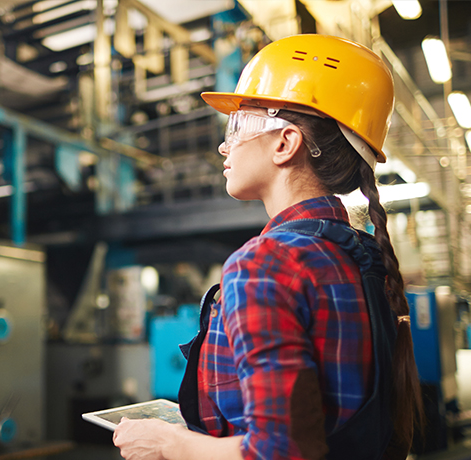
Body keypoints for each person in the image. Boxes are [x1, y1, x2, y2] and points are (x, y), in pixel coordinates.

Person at [112, 34, 423, 460]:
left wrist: (169, 443)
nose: (225, 145)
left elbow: (280, 451)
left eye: (237, 126)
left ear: (285, 143)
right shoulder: (362, 257)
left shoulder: (267, 263)